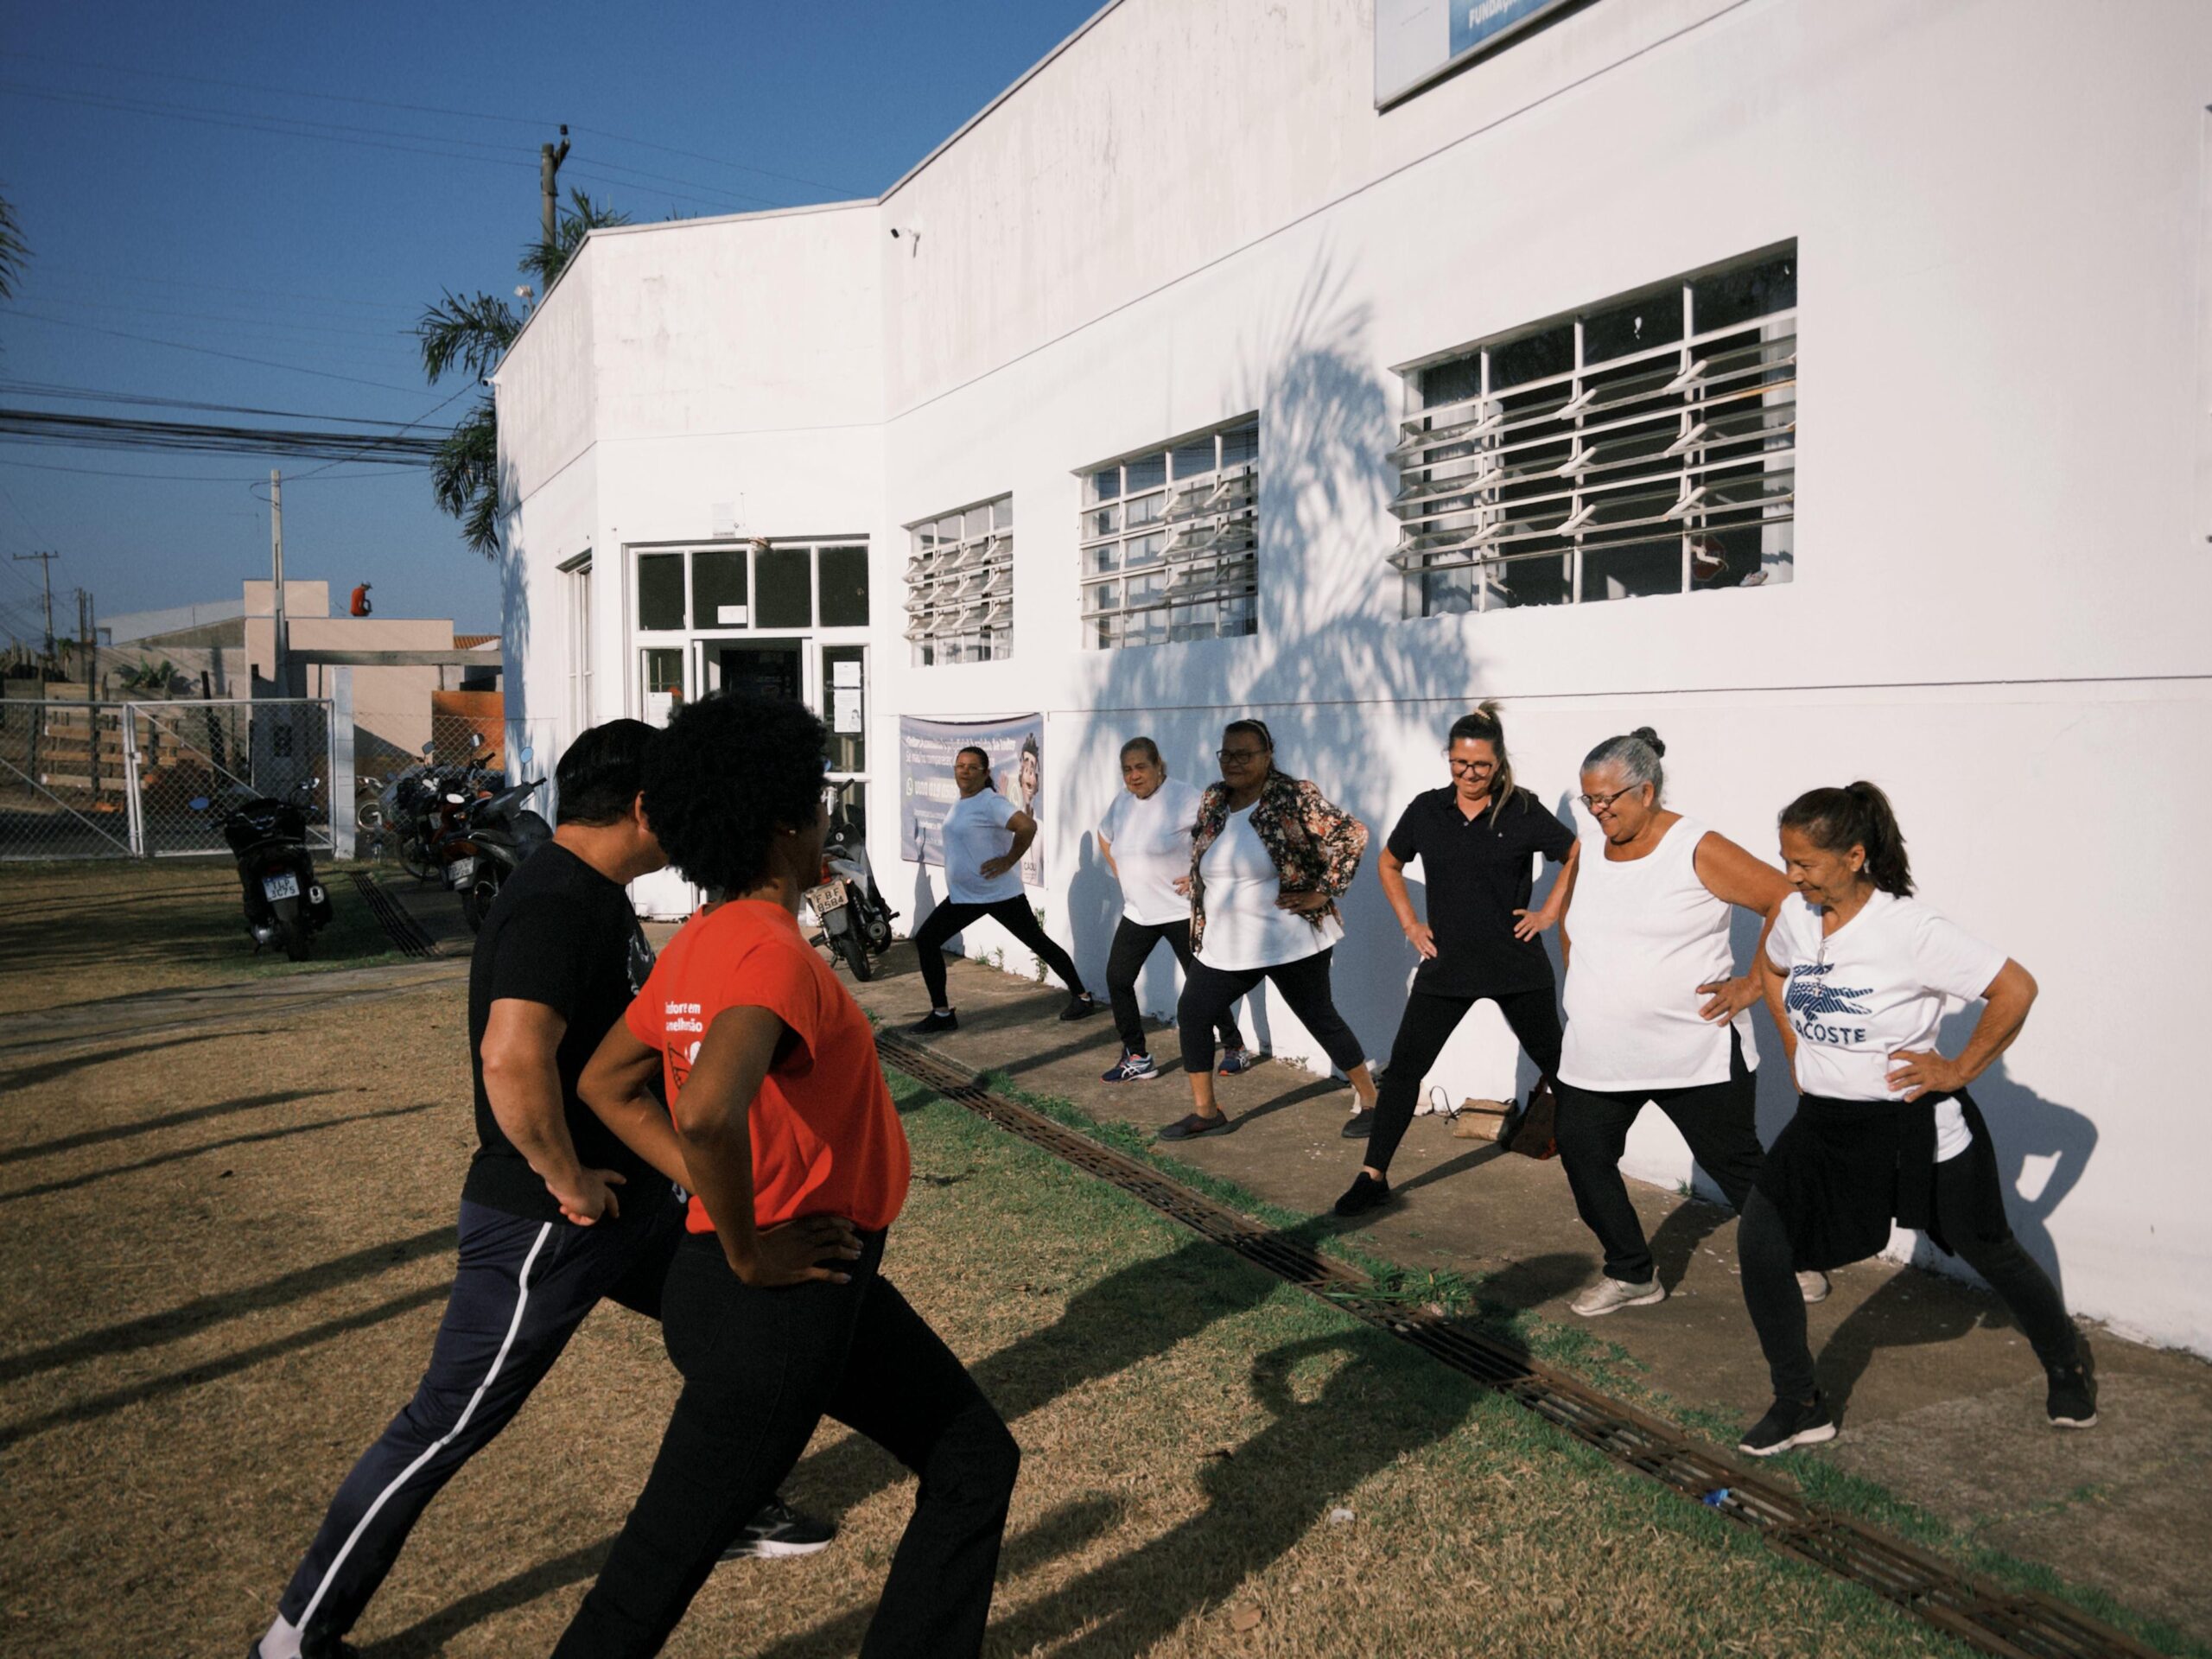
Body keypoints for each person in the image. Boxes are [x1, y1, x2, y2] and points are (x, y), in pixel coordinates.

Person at [251, 721, 825, 1659]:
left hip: (626, 1208)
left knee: (729, 1332)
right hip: (550, 1221)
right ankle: (295, 1638)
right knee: (446, 1425)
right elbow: (512, 1058)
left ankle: (727, 1504)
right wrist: (567, 1179)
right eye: (677, 803)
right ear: (646, 808)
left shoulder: (594, 896)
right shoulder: (557, 902)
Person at [551, 692, 1019, 1657]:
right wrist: (749, 1243)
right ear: (780, 825)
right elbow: (711, 1109)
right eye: (818, 806)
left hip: (808, 1281)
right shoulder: (770, 952)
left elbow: (607, 1084)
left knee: (973, 1456)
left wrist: (734, 1218)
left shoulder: (702, 942)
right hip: (772, 1304)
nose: (827, 825)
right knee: (644, 1586)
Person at [1734, 782, 2096, 1455]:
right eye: (1785, 860)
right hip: (1824, 1124)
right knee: (1761, 1245)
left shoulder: (1909, 930)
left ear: (1854, 856)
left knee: (1991, 1250)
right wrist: (1794, 1047)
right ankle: (1800, 1403)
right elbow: (1774, 967)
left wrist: (1957, 1070)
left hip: (1911, 1129)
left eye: (1805, 863)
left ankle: (2065, 1361)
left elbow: (2015, 989)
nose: (1791, 876)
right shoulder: (1795, 915)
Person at [1552, 728, 1811, 1317]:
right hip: (1600, 1052)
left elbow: (1786, 901)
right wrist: (1584, 983)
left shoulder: (1696, 846)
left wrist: (1751, 984)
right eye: (1588, 800)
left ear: (1646, 792)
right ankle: (1631, 1272)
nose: (1596, 812)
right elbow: (1573, 914)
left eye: (1606, 800)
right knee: (1583, 1152)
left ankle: (1797, 1253)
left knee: (1736, 1165)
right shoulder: (1590, 844)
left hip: (1691, 1050)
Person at [1333, 704, 1578, 1217]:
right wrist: (1410, 924)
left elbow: (1573, 851)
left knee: (1563, 1068)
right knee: (1404, 1073)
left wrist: (1549, 912)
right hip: (1447, 966)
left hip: (1516, 963)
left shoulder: (1523, 810)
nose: (1469, 774)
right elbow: (1389, 862)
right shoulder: (1428, 809)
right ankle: (1372, 1176)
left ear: (1499, 763)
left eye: (1480, 766)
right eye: (1459, 763)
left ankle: (1590, 1168)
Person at [1159, 719, 1376, 1141]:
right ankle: (1207, 1111)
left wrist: (1324, 891)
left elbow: (1353, 835)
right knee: (1194, 1012)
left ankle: (1371, 1099)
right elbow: (1210, 851)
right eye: (1227, 754)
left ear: (1267, 755)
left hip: (1288, 938)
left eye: (1245, 754)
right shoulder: (1214, 799)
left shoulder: (1293, 797)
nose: (1234, 763)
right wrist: (1199, 879)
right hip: (1227, 940)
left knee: (1319, 1017)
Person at [1095, 735, 1253, 1082]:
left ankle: (1235, 1047)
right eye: (1127, 770)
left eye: (1140, 767)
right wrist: (1122, 873)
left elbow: (1225, 836)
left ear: (1158, 766)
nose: (1134, 776)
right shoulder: (1122, 802)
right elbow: (1104, 836)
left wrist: (1200, 874)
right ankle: (1136, 1055)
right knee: (1117, 979)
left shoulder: (1185, 798)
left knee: (1203, 986)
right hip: (1138, 912)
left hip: (1181, 911)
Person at [908, 744, 1097, 1032]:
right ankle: (942, 1014)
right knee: (927, 940)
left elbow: (1027, 827)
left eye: (973, 767)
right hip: (966, 897)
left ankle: (1082, 997)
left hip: (998, 894)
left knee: (1037, 942)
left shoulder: (990, 802)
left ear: (986, 774)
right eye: (961, 766)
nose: (965, 772)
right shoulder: (962, 802)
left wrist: (1009, 860)